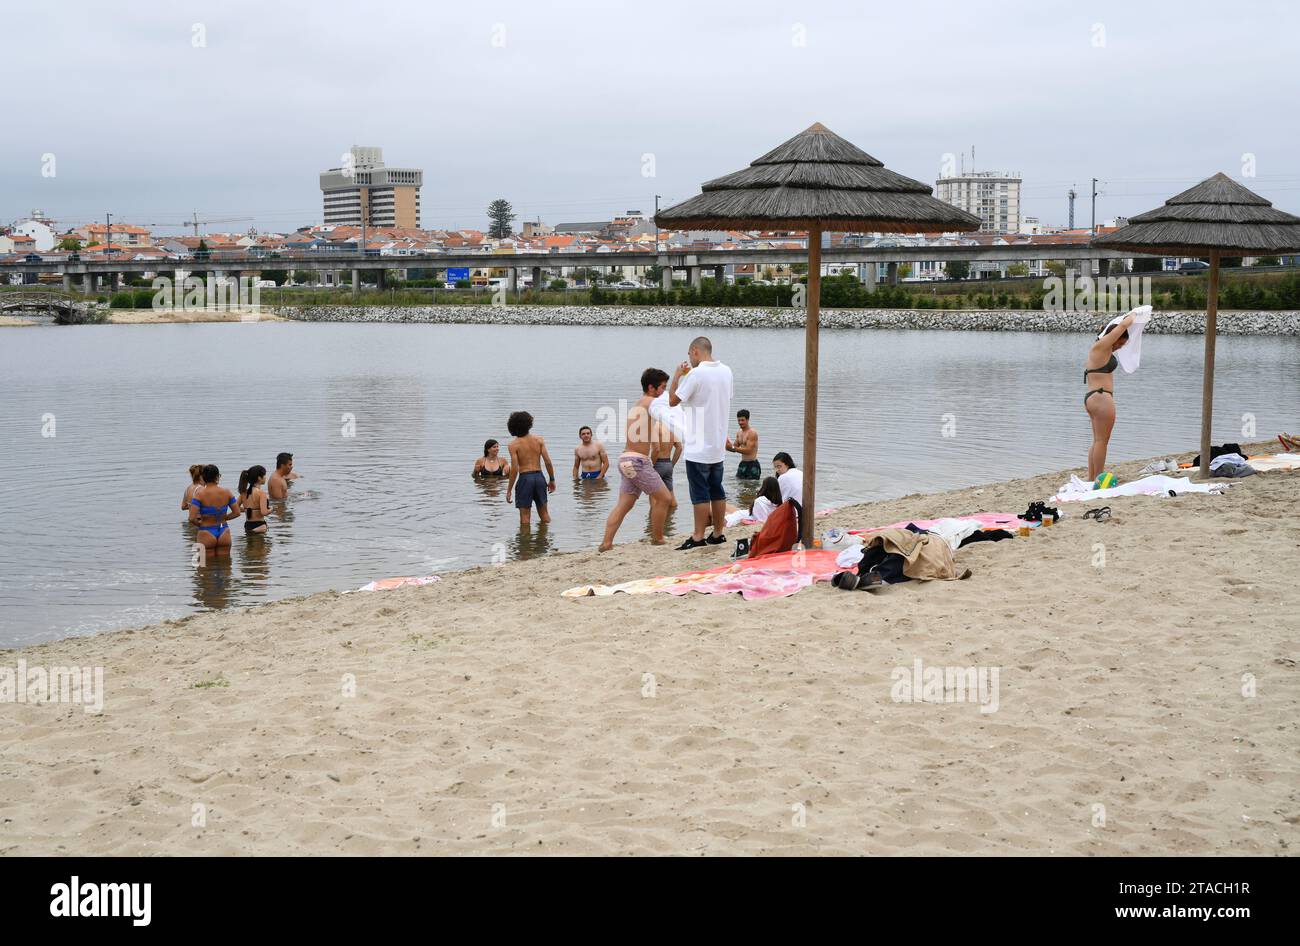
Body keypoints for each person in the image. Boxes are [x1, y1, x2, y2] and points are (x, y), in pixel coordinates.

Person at [600, 368, 677, 550]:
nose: (664, 392)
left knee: (624, 505)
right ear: (652, 388)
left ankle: (606, 543)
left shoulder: (638, 404)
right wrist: (679, 375)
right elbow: (673, 403)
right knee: (665, 498)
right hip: (637, 461)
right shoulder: (650, 402)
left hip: (625, 459)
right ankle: (657, 538)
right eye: (662, 387)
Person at [669, 335, 734, 549]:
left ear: (695, 351)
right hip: (717, 445)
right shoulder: (726, 371)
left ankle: (698, 536)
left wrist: (677, 375)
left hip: (698, 447)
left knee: (699, 492)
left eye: (690, 354)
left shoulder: (696, 374)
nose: (690, 359)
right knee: (717, 489)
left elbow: (672, 401)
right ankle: (717, 533)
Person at [1084, 312, 1135, 480]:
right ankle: (1098, 478)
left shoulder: (1100, 348)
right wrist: (1134, 314)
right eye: (1120, 343)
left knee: (1097, 441)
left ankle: (1092, 479)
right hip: (1101, 397)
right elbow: (1122, 326)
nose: (1119, 347)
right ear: (1115, 337)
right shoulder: (1104, 345)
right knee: (1102, 442)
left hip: (1093, 397)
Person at [505, 411, 556, 526]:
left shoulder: (513, 445)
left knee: (525, 518)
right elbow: (547, 462)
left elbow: (514, 469)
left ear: (512, 426)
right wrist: (552, 479)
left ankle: (525, 543)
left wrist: (509, 489)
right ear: (529, 423)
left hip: (525, 478)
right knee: (544, 514)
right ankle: (545, 541)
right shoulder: (539, 440)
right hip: (539, 477)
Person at [188, 464, 242, 559]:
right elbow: (237, 513)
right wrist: (225, 518)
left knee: (203, 567)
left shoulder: (199, 495)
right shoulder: (227, 492)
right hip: (224, 531)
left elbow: (191, 518)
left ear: (203, 477)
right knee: (225, 566)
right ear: (217, 476)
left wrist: (200, 524)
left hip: (206, 531)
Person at [650, 415, 683, 510]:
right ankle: (671, 518)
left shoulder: (655, 426)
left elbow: (656, 449)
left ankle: (653, 521)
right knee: (671, 496)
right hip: (668, 464)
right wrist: (672, 464)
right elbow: (679, 448)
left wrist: (650, 465)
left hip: (657, 464)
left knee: (653, 496)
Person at [727, 409, 761, 479]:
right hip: (743, 464)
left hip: (752, 464)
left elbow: (749, 451)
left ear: (747, 420)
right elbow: (734, 449)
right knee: (740, 486)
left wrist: (733, 447)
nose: (740, 422)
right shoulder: (739, 433)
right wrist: (725, 445)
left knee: (752, 487)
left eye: (742, 420)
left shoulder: (752, 433)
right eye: (739, 420)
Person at [239, 465, 271, 535]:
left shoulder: (243, 493)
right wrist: (272, 509)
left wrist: (246, 509)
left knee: (249, 545)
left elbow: (235, 508)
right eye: (264, 475)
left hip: (248, 526)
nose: (266, 477)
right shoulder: (261, 493)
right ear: (259, 478)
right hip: (260, 526)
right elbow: (264, 512)